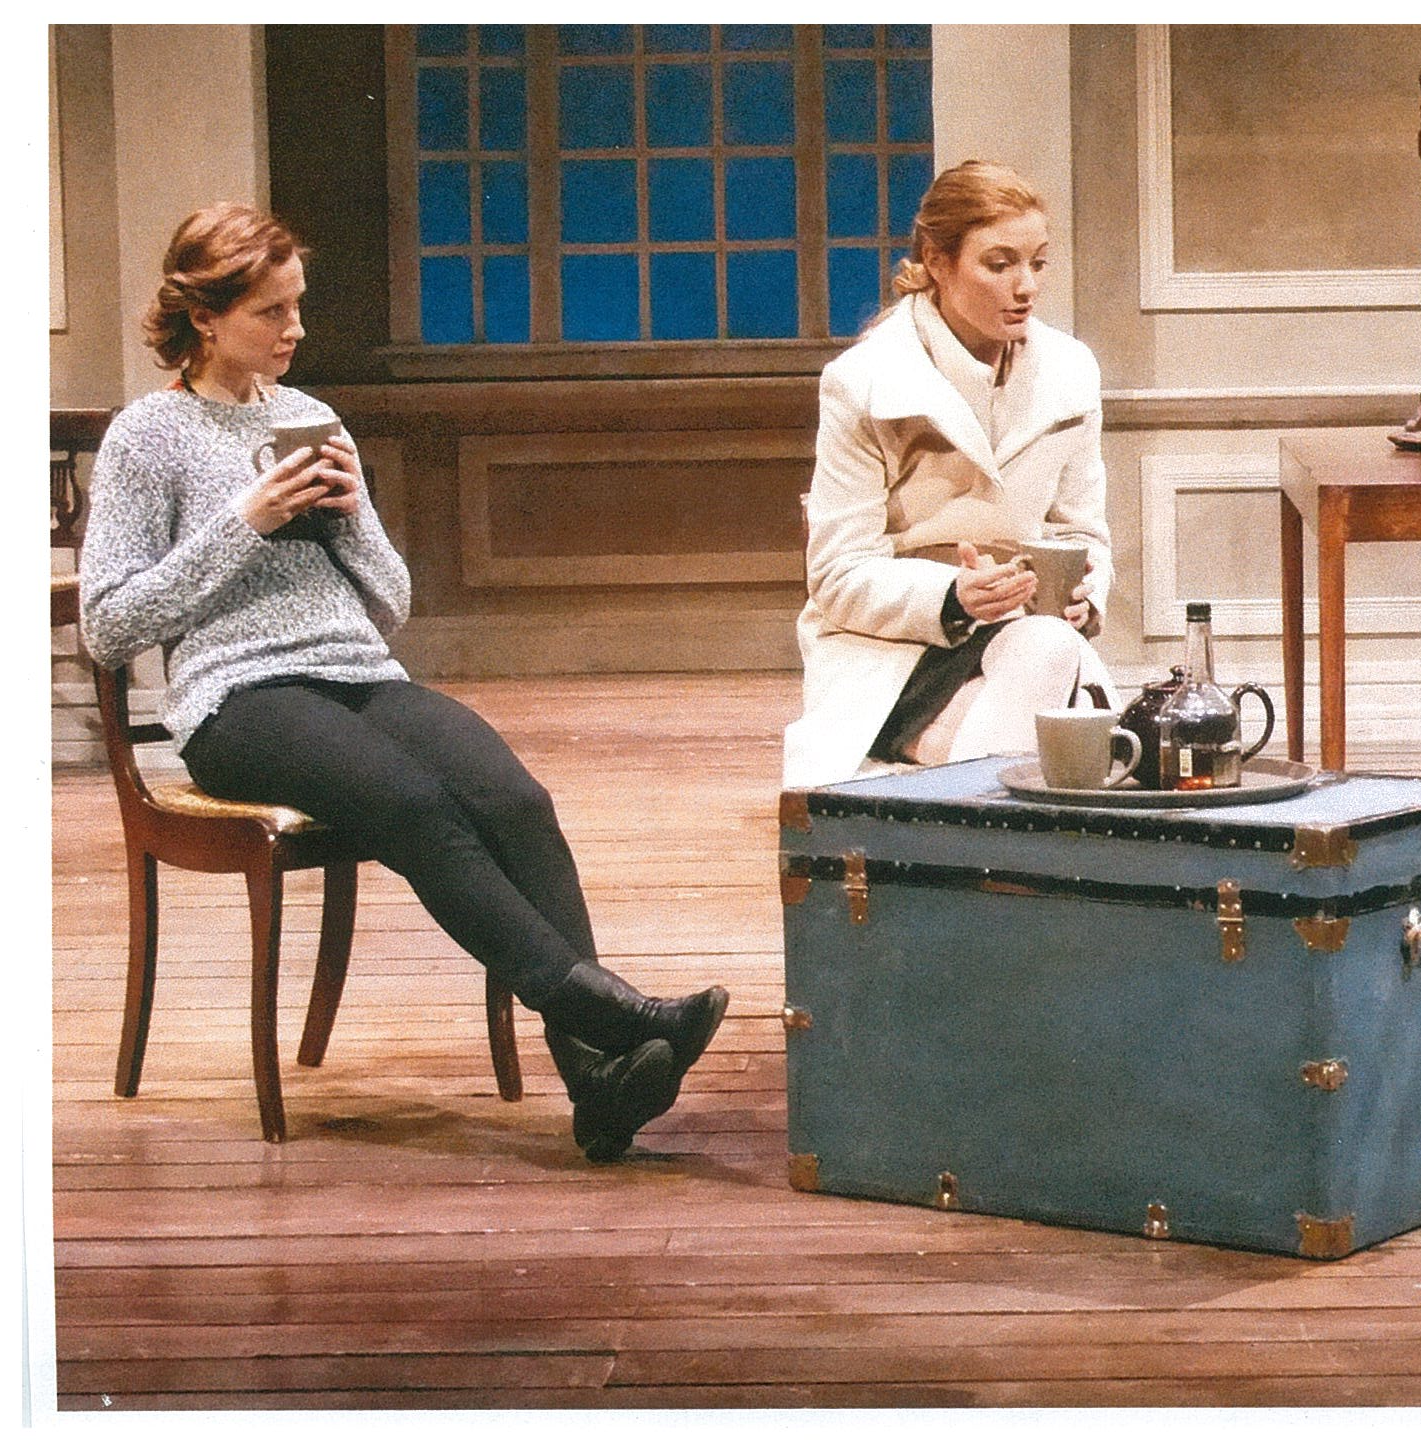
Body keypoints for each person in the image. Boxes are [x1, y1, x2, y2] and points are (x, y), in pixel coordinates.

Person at [78, 203, 730, 1163]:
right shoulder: (149, 436)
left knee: (516, 797)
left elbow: (389, 605)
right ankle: (600, 1005)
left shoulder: (313, 420)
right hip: (237, 700)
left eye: (298, 306)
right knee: (412, 802)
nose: (296, 329)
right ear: (206, 319)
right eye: (271, 312)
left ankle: (595, 1084)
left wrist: (349, 518)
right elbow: (106, 624)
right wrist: (242, 524)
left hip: (357, 672)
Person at [782, 160, 1116, 789]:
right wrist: (952, 597)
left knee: (1049, 648)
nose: (1026, 287)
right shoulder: (866, 381)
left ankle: (964, 812)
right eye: (999, 264)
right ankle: (976, 811)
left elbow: (1085, 534)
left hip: (1021, 635)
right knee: (1027, 741)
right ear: (937, 263)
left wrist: (1083, 595)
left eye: (1037, 263)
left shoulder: (1070, 372)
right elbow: (835, 575)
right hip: (899, 654)